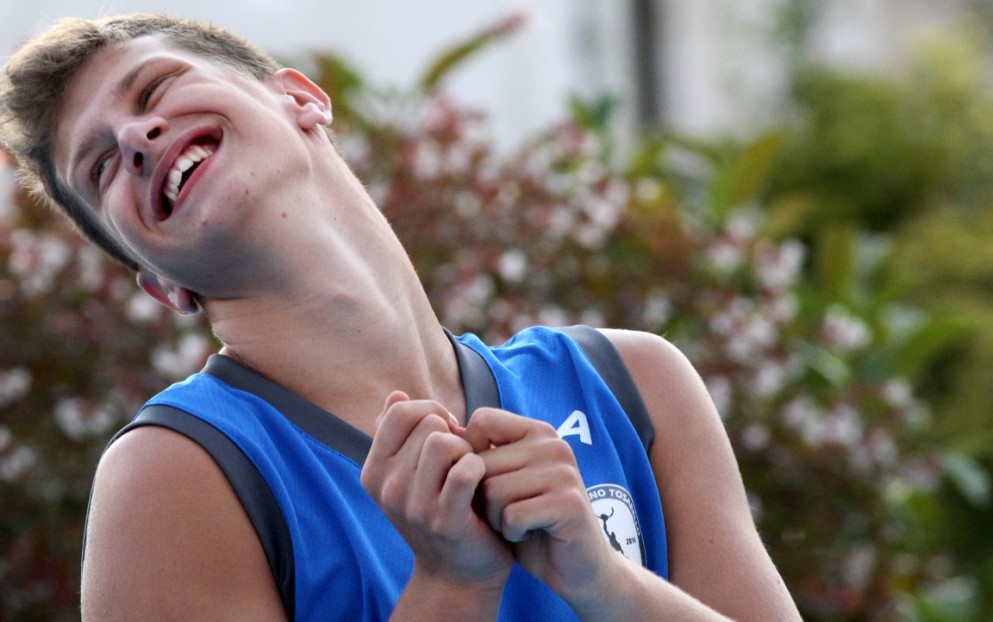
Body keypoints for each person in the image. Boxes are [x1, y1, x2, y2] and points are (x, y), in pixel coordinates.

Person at [0, 13, 801, 621]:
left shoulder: (630, 382)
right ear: (160, 286)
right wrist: (451, 585)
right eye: (100, 167)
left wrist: (606, 583)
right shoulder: (177, 476)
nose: (136, 137)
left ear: (300, 98)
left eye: (154, 90)